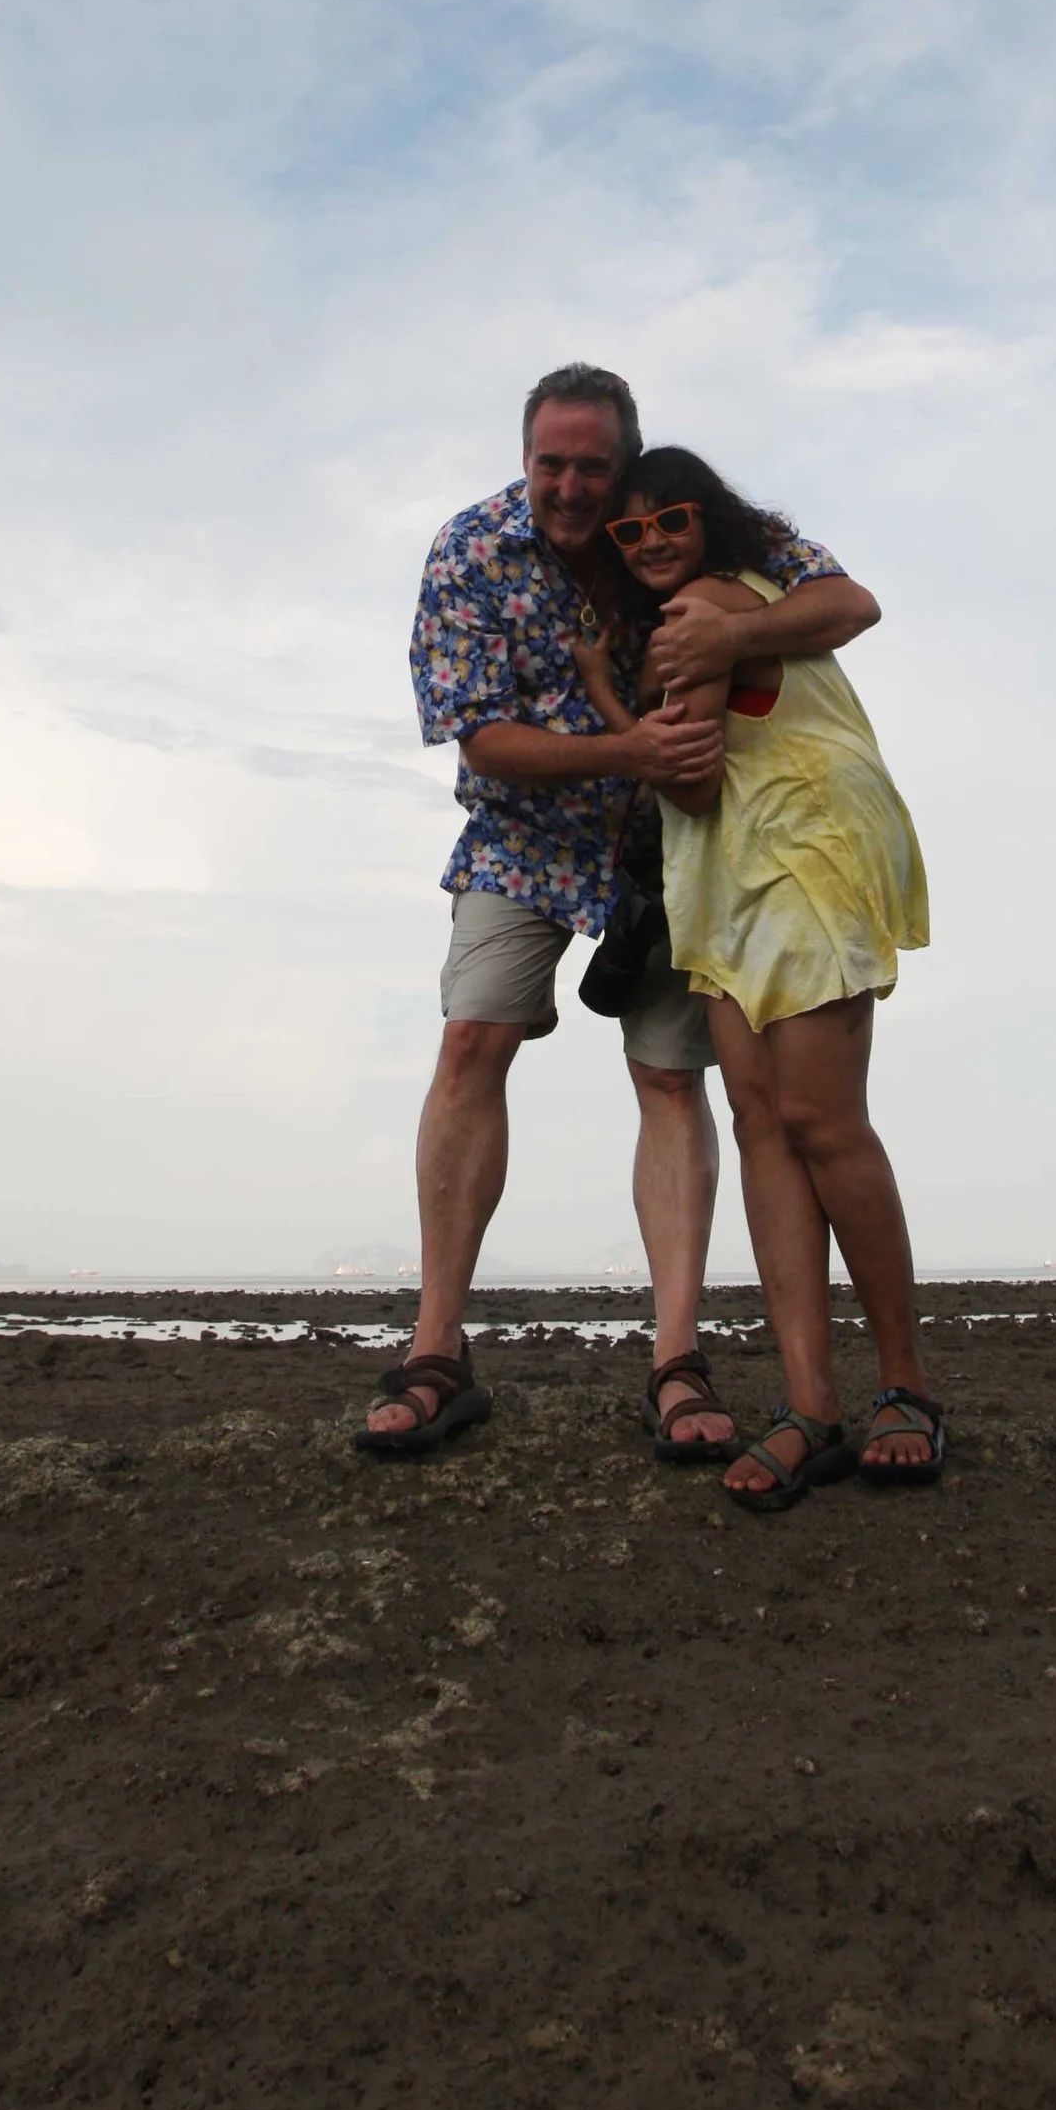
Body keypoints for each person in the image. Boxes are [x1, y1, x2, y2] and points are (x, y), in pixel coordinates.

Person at [356, 365, 880, 1460]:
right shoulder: (470, 549)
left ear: (626, 460)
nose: (573, 485)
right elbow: (481, 736)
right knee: (469, 1044)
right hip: (524, 831)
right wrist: (624, 742)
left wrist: (732, 639)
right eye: (551, 461)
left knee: (666, 1075)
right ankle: (437, 1350)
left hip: (680, 840)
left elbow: (844, 600)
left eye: (593, 463)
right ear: (524, 457)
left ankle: (675, 1359)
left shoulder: (682, 522)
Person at [578, 443, 940, 1507]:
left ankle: (904, 1390)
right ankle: (811, 1405)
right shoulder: (741, 600)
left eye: (670, 519)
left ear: (711, 521)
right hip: (737, 875)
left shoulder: (704, 606)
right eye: (628, 531)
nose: (650, 544)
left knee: (820, 1121)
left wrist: (603, 686)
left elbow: (682, 780)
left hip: (796, 854)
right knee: (762, 1122)